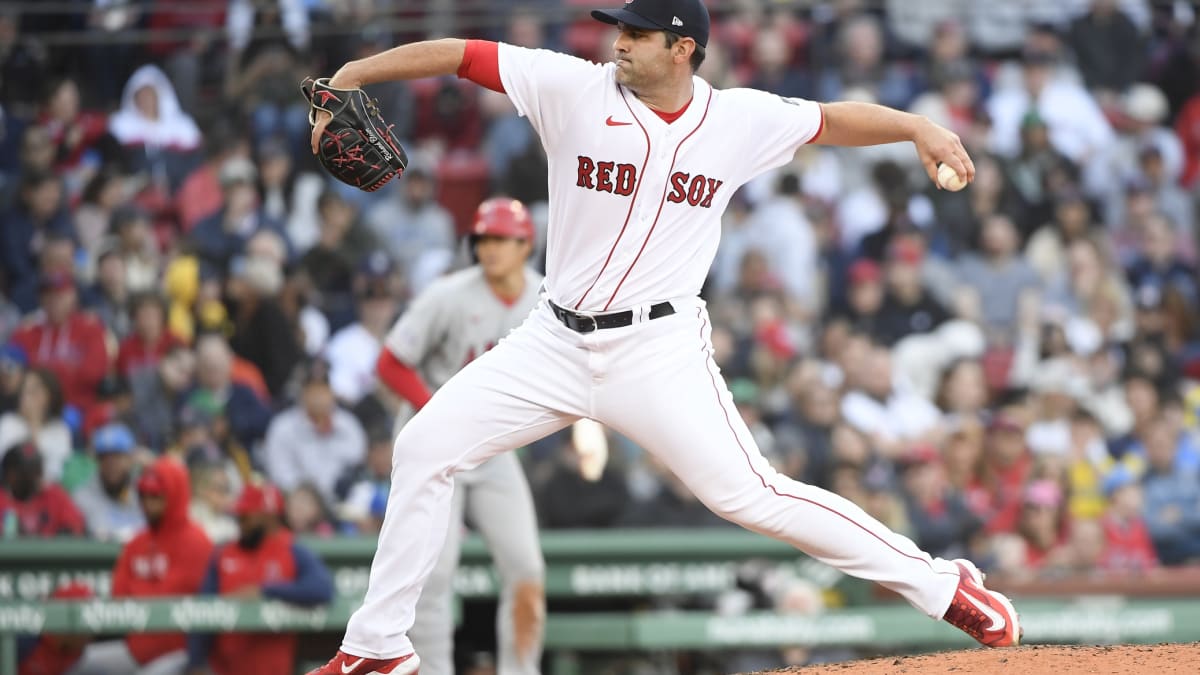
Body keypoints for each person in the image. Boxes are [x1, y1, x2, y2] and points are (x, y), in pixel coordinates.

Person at [305, 1, 1020, 672]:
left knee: (753, 495)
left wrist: (917, 126)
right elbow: (461, 53)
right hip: (552, 340)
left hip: (657, 350)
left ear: (683, 49)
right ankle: (380, 645)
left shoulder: (738, 120)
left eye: (637, 34)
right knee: (423, 446)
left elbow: (831, 120)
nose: (617, 42)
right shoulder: (571, 87)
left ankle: (943, 584)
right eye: (620, 29)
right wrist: (353, 75)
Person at [373, 198, 551, 675]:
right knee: (434, 578)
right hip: (435, 450)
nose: (489, 248)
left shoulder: (546, 299)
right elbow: (390, 363)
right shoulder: (447, 295)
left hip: (491, 450)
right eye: (483, 239)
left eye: (500, 239)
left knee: (527, 570)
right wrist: (443, 414)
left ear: (525, 245)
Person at [73, 457, 213, 675]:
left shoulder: (196, 541)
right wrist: (148, 590)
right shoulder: (138, 542)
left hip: (180, 653)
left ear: (174, 496)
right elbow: (118, 594)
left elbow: (165, 601)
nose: (148, 505)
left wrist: (139, 589)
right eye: (144, 496)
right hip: (136, 650)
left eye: (156, 497)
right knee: (76, 666)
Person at [184, 481, 334, 675]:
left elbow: (322, 589)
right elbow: (204, 609)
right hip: (224, 667)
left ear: (269, 517)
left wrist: (265, 591)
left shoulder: (292, 550)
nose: (241, 523)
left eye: (247, 516)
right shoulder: (224, 554)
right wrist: (196, 663)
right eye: (239, 516)